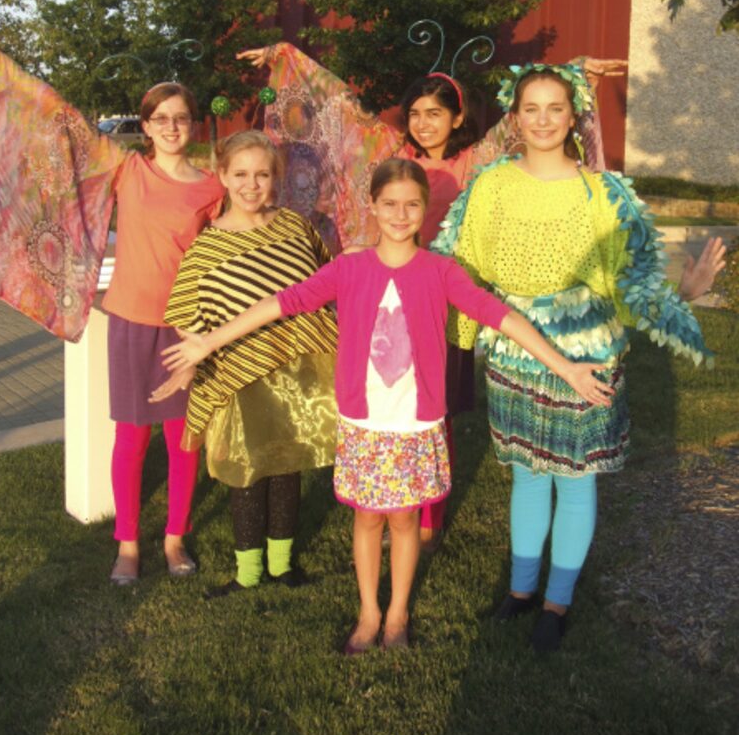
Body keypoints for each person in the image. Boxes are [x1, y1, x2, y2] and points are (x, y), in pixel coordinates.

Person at [161, 157, 615, 654]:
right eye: (390, 204)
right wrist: (209, 342)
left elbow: (499, 315)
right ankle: (368, 612)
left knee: (404, 520)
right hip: (363, 421)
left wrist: (564, 366)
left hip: (415, 423)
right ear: (372, 207)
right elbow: (282, 303)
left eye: (412, 205)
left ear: (425, 211)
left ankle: (397, 614)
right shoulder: (349, 268)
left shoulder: (441, 272)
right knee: (368, 518)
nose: (400, 215)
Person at [239, 41, 625, 550]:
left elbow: (531, 120)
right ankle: (385, 503)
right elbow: (341, 110)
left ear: (456, 116)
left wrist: (576, 73)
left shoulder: (479, 163)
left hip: (447, 304)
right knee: (392, 410)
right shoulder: (392, 157)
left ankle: (426, 518)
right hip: (393, 306)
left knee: (435, 415)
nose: (424, 123)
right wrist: (290, 57)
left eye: (435, 113)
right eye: (415, 114)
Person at [431, 62, 726, 652]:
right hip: (515, 353)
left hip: (585, 353)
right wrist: (448, 338)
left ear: (574, 117)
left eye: (555, 109)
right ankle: (520, 592)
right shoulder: (490, 186)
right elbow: (461, 268)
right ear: (515, 116)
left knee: (576, 478)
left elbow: (629, 276)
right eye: (530, 108)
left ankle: (556, 603)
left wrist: (683, 293)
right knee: (528, 474)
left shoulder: (601, 192)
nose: (542, 120)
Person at [0, 26, 224, 585]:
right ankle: (127, 546)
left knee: (185, 437)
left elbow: (225, 253)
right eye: (159, 118)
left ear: (193, 125)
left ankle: (174, 539)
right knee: (132, 438)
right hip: (131, 321)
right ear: (144, 126)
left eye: (180, 117)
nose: (170, 127)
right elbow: (57, 118)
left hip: (189, 325)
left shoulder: (212, 188)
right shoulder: (127, 169)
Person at [151, 131, 338, 595]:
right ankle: (249, 571)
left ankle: (283, 564)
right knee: (248, 470)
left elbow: (322, 282)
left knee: (288, 463)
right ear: (223, 177)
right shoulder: (208, 246)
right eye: (241, 175)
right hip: (237, 374)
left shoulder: (297, 227)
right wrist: (189, 361)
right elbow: (188, 313)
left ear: (275, 178)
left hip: (297, 368)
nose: (252, 185)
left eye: (262, 175)